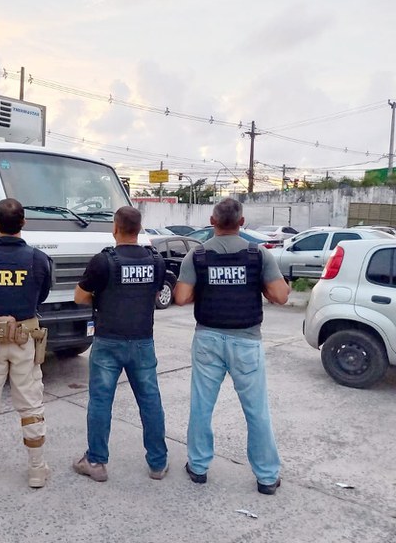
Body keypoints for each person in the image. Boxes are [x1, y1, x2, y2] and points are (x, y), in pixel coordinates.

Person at [173, 198, 290, 495]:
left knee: (202, 406)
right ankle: (266, 477)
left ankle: (198, 467)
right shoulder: (258, 256)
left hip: (207, 340)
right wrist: (260, 285)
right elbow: (281, 296)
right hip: (247, 341)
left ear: (212, 221)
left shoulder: (197, 256)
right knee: (257, 411)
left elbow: (182, 297)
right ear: (242, 222)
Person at [72, 206, 169, 482]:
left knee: (101, 401)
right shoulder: (156, 261)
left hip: (108, 341)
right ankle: (158, 464)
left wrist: (103, 299)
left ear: (115, 228)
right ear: (138, 229)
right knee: (150, 401)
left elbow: (80, 296)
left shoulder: (103, 261)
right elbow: (154, 292)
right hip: (142, 341)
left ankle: (96, 462)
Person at [0, 198, 53, 489]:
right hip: (25, 339)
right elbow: (42, 295)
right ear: (23, 223)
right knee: (30, 403)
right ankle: (37, 470)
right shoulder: (38, 259)